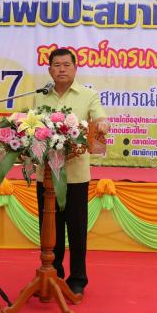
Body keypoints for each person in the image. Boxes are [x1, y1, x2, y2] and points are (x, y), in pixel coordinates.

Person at [34, 48, 110, 296]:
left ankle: (78, 279)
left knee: (76, 230)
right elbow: (30, 127)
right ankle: (52, 273)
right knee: (49, 229)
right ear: (49, 70)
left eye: (66, 65)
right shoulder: (40, 96)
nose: (62, 69)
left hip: (75, 177)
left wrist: (103, 124)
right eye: (56, 65)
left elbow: (100, 118)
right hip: (47, 176)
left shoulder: (88, 95)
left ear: (75, 68)